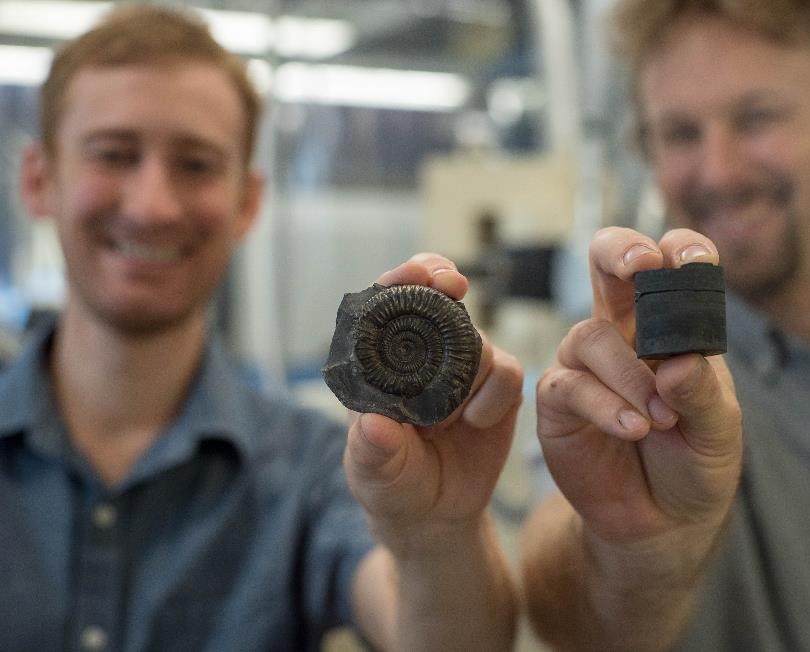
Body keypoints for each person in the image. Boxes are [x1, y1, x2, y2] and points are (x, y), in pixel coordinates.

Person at [0, 6, 523, 651]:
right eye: (114, 155)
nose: (152, 207)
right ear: (38, 180)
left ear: (247, 202)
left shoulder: (317, 470)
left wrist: (438, 541)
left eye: (195, 165)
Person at [521, 0, 810, 650]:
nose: (718, 171)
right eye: (679, 133)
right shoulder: (622, 383)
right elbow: (566, 624)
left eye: (756, 117)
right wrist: (638, 552)